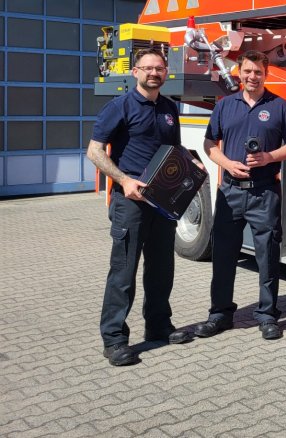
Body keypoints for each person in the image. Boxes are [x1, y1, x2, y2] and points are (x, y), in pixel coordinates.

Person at [87, 48, 199, 366]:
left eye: (159, 68)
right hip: (131, 202)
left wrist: (190, 169)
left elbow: (172, 151)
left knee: (161, 268)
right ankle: (114, 339)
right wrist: (124, 180)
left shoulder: (168, 108)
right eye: (148, 68)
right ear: (135, 72)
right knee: (123, 271)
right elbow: (94, 151)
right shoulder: (119, 106)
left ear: (165, 73)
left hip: (162, 203)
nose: (154, 73)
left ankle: (159, 326)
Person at [193, 50, 286, 341]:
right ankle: (220, 314)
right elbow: (209, 142)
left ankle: (267, 315)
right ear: (239, 72)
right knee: (223, 256)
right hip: (230, 193)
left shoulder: (280, 107)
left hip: (265, 193)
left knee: (267, 256)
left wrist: (268, 157)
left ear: (266, 73)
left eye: (258, 72)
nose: (252, 77)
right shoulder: (225, 106)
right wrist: (226, 164)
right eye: (247, 71)